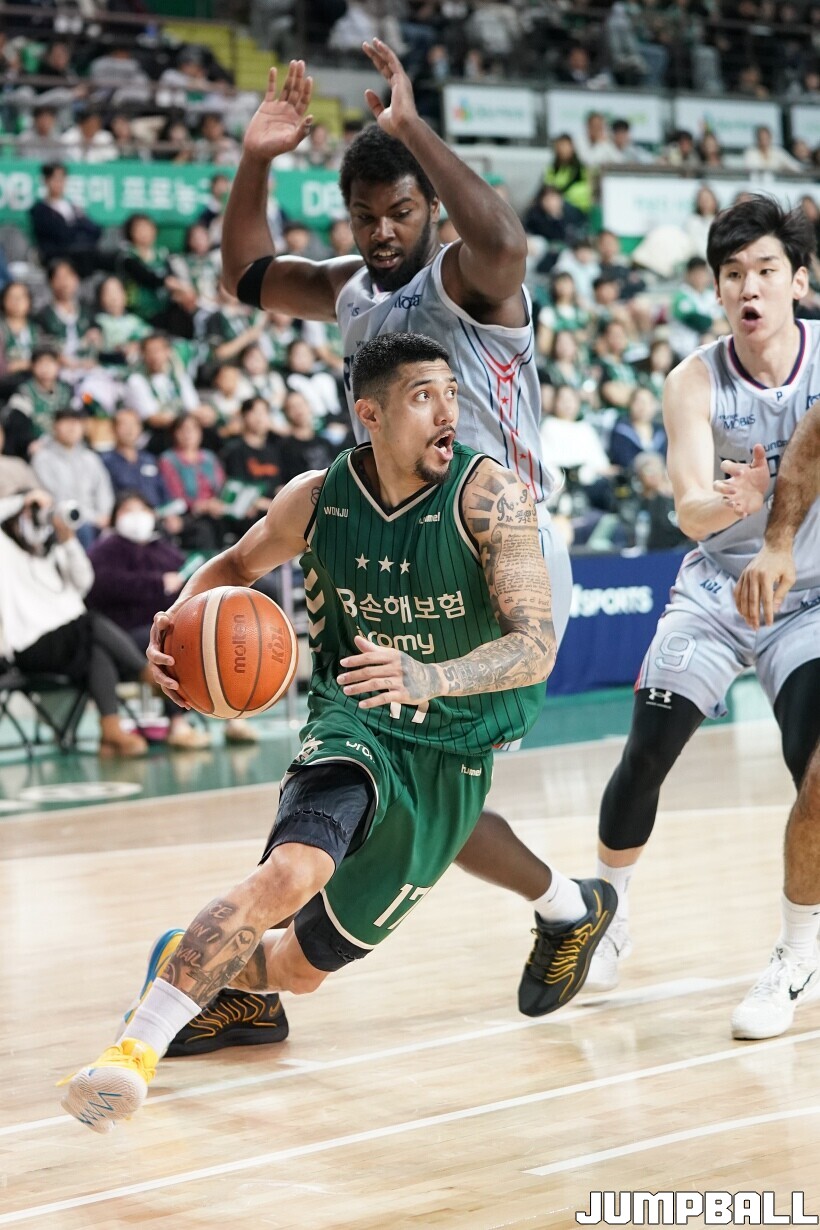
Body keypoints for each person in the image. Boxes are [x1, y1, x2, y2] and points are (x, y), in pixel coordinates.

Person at [60, 334, 615, 1131]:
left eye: (451, 393)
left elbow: (536, 646)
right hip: (355, 714)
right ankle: (131, 1053)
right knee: (291, 873)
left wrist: (430, 676)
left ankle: (219, 977)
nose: (448, 411)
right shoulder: (318, 500)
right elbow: (234, 567)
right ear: (371, 414)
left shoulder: (490, 498)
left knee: (298, 967)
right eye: (424, 396)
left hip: (455, 742)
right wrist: (176, 624)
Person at [189, 44, 581, 1048]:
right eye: (365, 216)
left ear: (431, 210)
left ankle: (566, 907)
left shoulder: (468, 282)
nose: (381, 232)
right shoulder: (357, 291)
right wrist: (255, 160)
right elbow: (247, 275)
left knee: (428, 783)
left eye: (400, 212)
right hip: (399, 542)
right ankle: (564, 908)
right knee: (403, 772)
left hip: (494, 553)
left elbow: (507, 243)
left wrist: (409, 127)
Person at [584, 197, 820, 1042]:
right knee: (646, 752)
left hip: (810, 600)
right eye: (732, 275)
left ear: (799, 281)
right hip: (717, 589)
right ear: (716, 291)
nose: (749, 288)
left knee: (812, 768)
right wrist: (734, 503)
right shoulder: (692, 378)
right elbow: (687, 509)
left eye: (765, 270)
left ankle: (797, 954)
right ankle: (609, 913)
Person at [0, 487, 149, 757]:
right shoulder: (5, 550)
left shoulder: (53, 550)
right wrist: (25, 501)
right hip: (30, 647)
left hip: (72, 640)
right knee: (90, 623)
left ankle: (110, 732)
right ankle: (146, 674)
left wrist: (68, 541)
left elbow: (84, 582)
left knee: (97, 650)